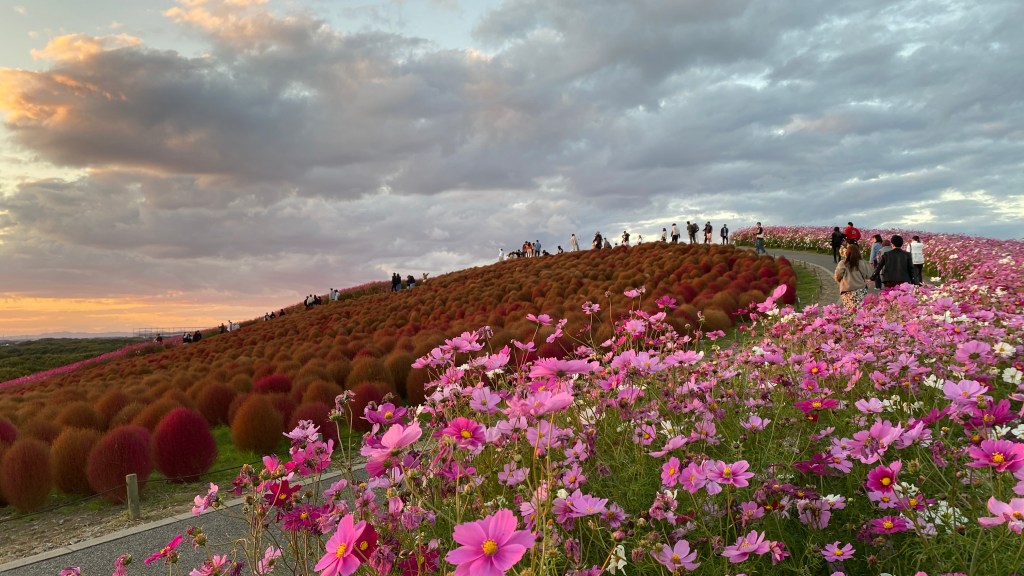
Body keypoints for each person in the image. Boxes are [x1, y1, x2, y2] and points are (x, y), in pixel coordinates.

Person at [834, 243, 872, 309]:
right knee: (860, 311)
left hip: (847, 291)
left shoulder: (843, 263)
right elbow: (869, 275)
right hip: (861, 290)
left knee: (849, 311)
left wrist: (839, 280)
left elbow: (838, 274)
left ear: (847, 252)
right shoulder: (863, 262)